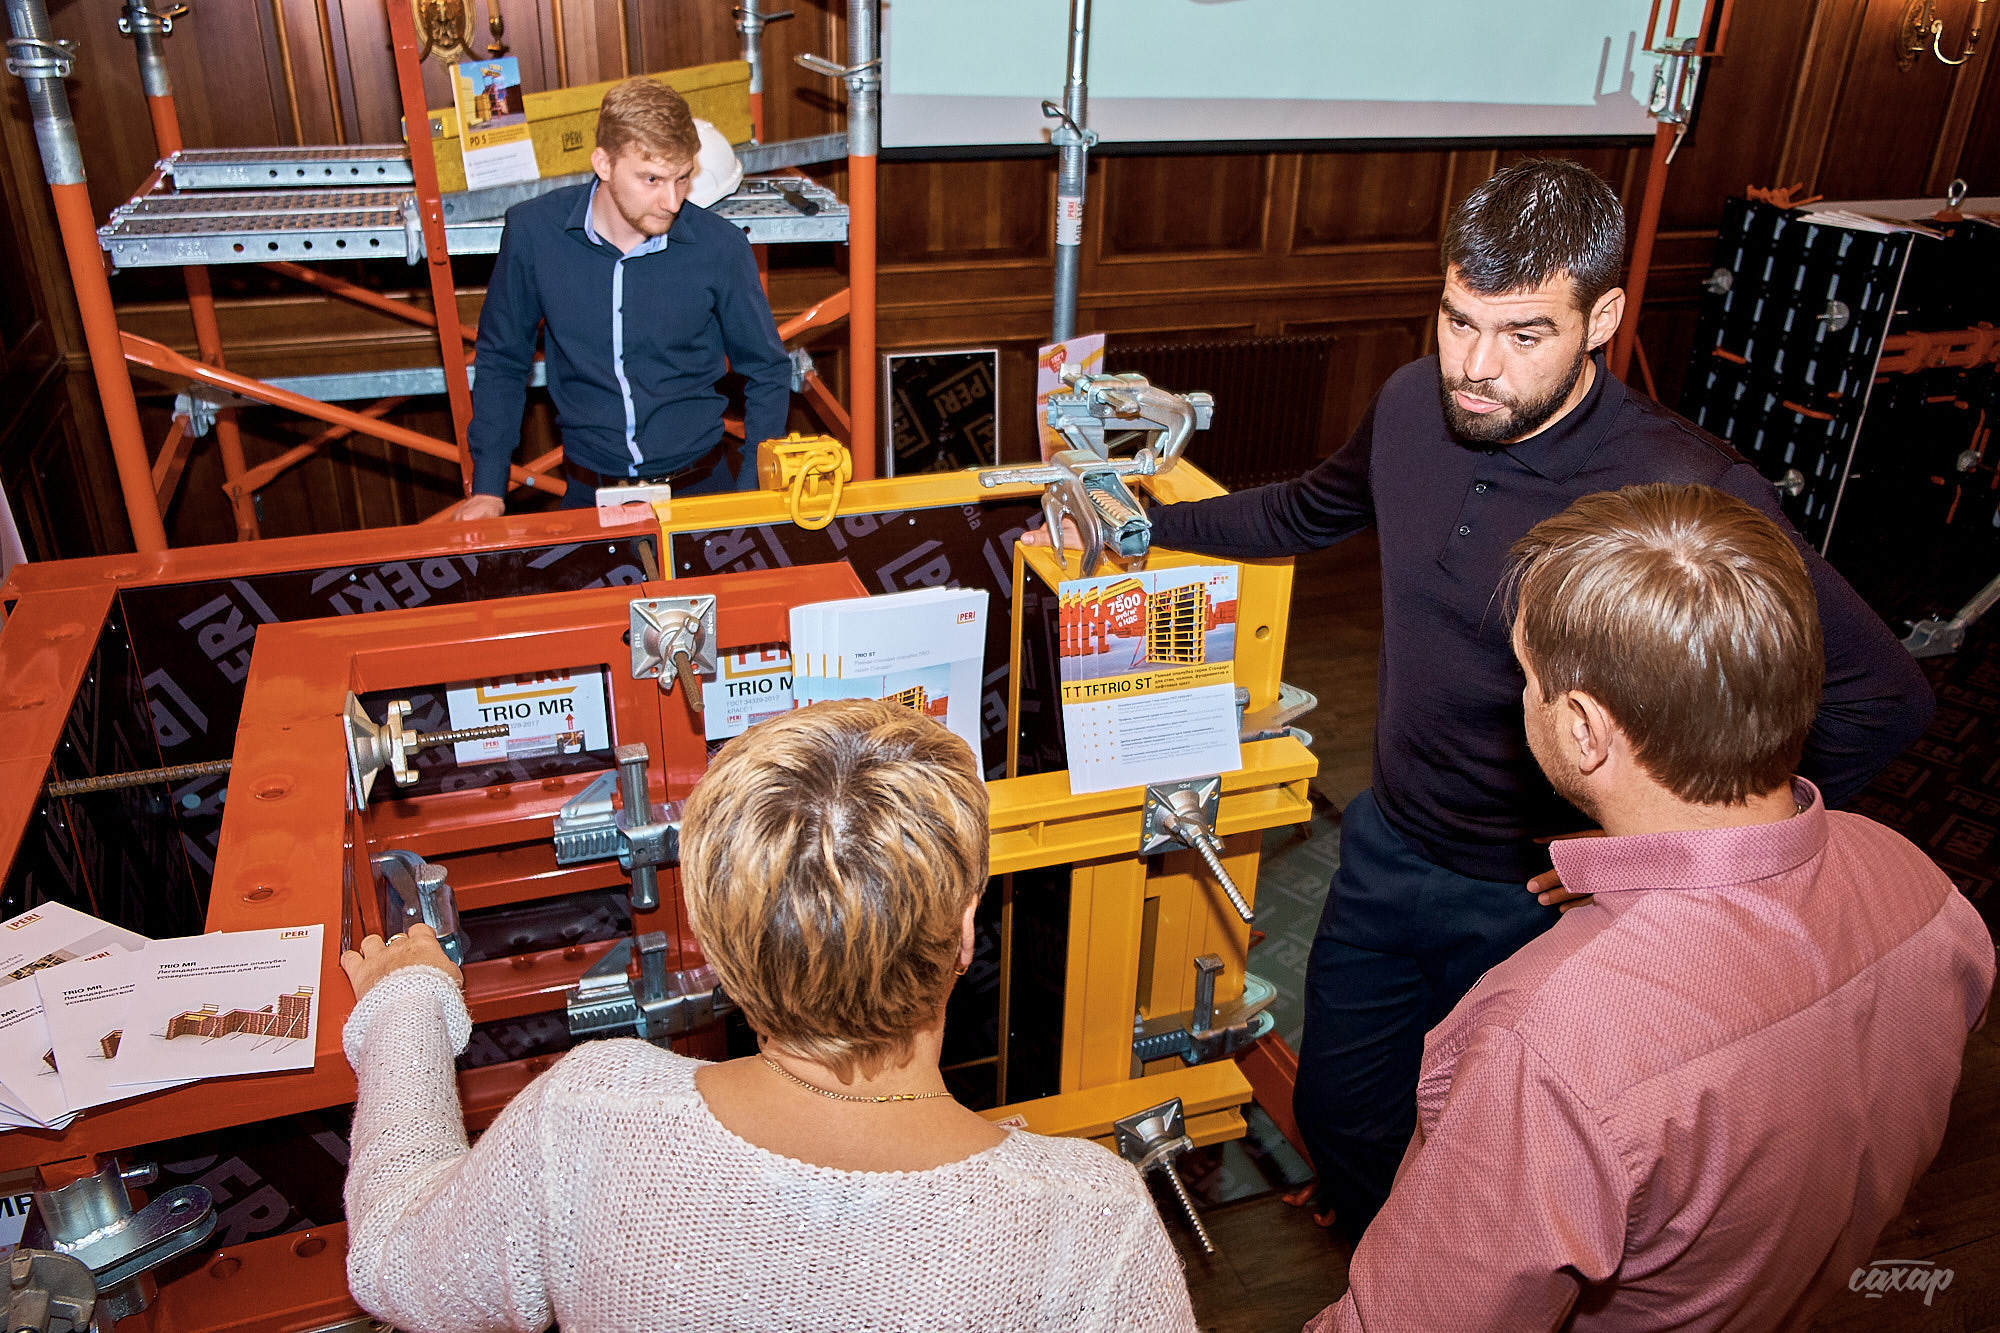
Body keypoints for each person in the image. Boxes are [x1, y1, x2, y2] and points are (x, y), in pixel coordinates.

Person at [1029, 157, 1934, 1241]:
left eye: (1520, 336)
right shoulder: (1415, 400)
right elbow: (1311, 510)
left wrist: (1666, 857)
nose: (1474, 367)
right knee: (1338, 1111)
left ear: (1600, 318)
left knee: (1496, 1171)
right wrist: (1134, 523)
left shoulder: (1684, 490)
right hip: (1388, 840)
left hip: (1542, 892)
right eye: (1458, 321)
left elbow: (1882, 697)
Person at [1306, 483, 1993, 1331]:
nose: (1521, 701)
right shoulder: (1922, 886)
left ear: (1588, 729)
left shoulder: (1548, 1041)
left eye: (1528, 678)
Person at [339, 698, 1198, 1332]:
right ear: (966, 926)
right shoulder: (1089, 1221)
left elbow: (391, 1261)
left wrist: (404, 1003)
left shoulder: (590, 1116)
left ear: (713, 942)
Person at [451, 77, 791, 518]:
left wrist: (752, 494)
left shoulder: (719, 247)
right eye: (651, 179)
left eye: (682, 177)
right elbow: (502, 359)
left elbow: (767, 369)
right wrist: (489, 487)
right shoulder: (535, 234)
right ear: (604, 164)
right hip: (588, 497)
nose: (671, 201)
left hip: (705, 491)